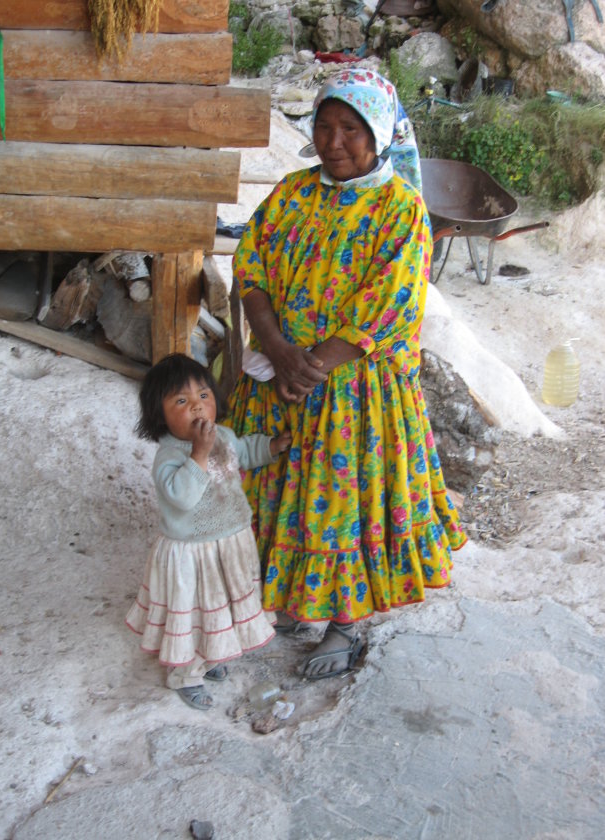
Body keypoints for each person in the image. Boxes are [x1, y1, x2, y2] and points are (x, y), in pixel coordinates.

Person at [226, 68, 467, 680]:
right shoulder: (292, 193)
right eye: (325, 127)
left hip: (357, 393)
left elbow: (388, 302)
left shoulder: (401, 210)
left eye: (351, 130)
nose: (335, 142)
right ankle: (288, 599)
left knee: (346, 505)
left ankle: (343, 624)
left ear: (380, 133)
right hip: (280, 377)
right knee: (283, 491)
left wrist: (311, 367)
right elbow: (250, 266)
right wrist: (279, 351)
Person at [126, 354, 291, 710]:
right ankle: (184, 674)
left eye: (203, 395)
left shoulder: (224, 435)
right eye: (181, 401)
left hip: (231, 541)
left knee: (222, 607)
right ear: (160, 415)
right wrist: (199, 454)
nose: (198, 407)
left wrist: (272, 447)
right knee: (197, 611)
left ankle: (212, 656)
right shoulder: (169, 456)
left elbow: (243, 452)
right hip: (193, 552)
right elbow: (182, 497)